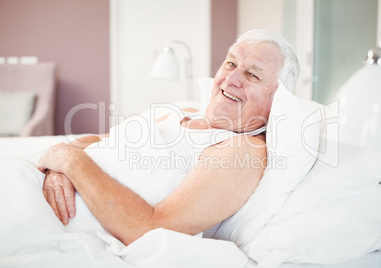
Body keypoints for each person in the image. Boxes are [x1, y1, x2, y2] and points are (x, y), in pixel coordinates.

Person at [38, 29, 299, 246]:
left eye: (252, 74)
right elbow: (99, 140)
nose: (230, 79)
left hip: (58, 227)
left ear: (278, 100)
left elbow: (150, 230)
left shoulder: (243, 150)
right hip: (47, 190)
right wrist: (57, 169)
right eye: (230, 64)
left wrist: (70, 161)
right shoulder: (179, 112)